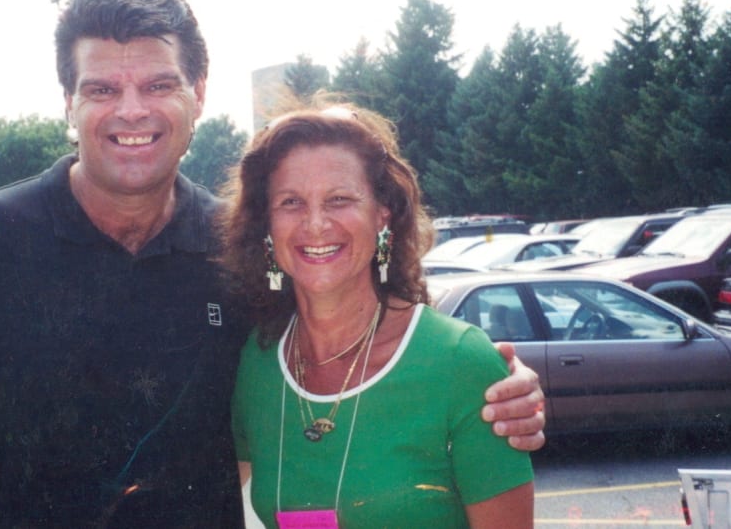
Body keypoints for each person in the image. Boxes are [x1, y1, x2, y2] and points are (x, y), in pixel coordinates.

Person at [0, 0, 545, 528]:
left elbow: (356, 339)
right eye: (103, 88)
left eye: (159, 84)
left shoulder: (239, 254)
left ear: (199, 92)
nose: (132, 110)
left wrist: (500, 386)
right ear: (69, 103)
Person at [223, 103, 534, 527]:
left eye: (339, 199)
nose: (315, 224)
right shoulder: (257, 365)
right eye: (291, 202)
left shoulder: (460, 361)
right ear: (266, 224)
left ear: (382, 214)